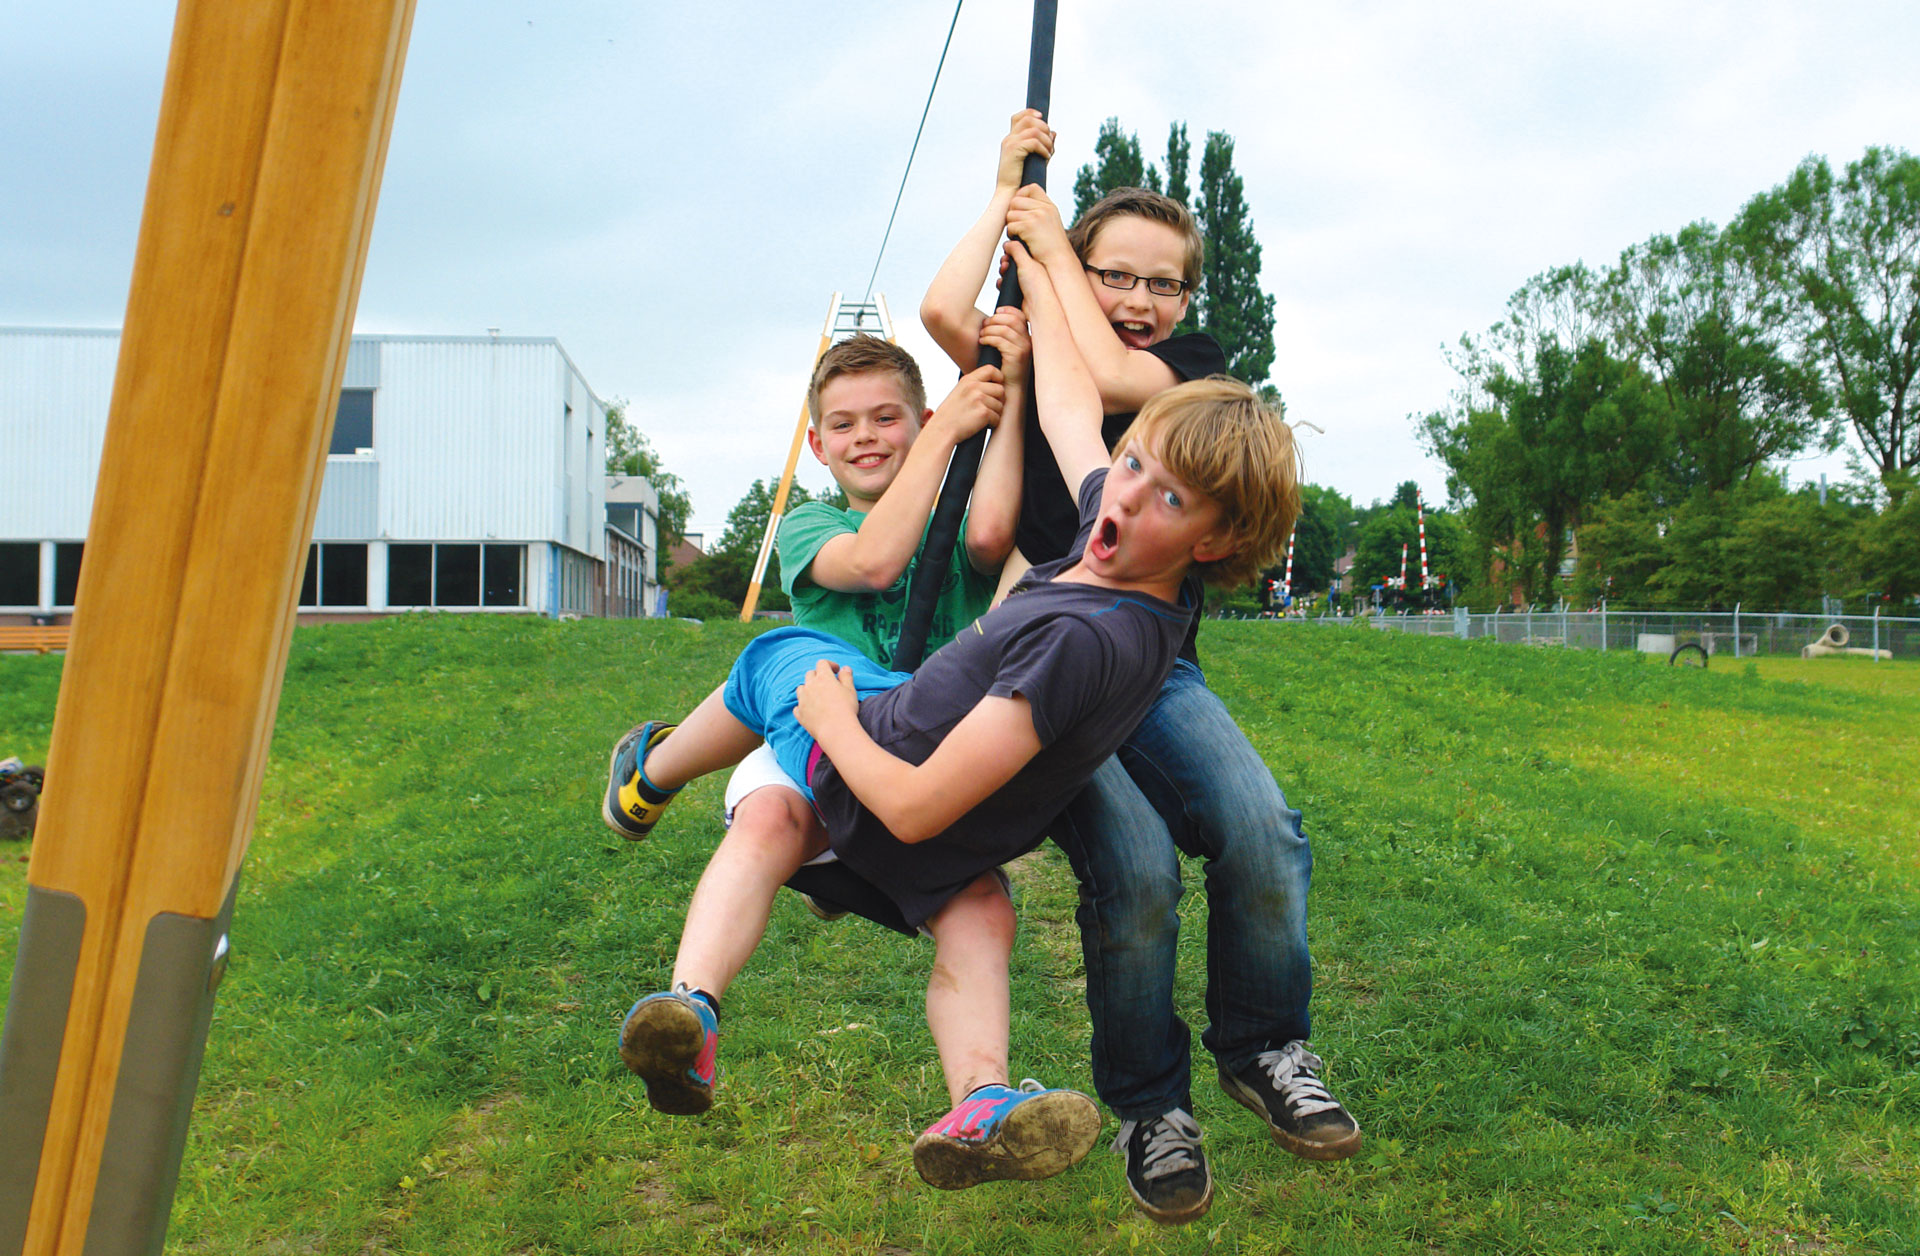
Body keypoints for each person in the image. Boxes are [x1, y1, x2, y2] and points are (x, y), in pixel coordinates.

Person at [602, 290, 1301, 1194]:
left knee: (774, 658)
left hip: (873, 757)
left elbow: (910, 800)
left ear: (1221, 539)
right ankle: (980, 1098)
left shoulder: (1079, 640)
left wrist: (834, 725)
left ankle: (646, 777)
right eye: (1130, 462)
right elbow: (1071, 415)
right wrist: (1038, 286)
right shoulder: (1146, 580)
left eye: (1163, 492)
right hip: (963, 835)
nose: (1119, 491)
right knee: (980, 918)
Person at [922, 112, 1360, 1226]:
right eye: (1113, 269)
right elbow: (990, 347)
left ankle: (1265, 1047)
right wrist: (1011, 219)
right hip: (1054, 682)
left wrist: (1059, 256)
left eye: (1160, 282)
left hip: (1159, 672)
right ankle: (1150, 1109)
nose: (1136, 294)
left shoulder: (1189, 381)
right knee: (1141, 874)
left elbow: (1109, 372)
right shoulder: (1072, 435)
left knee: (1263, 829)